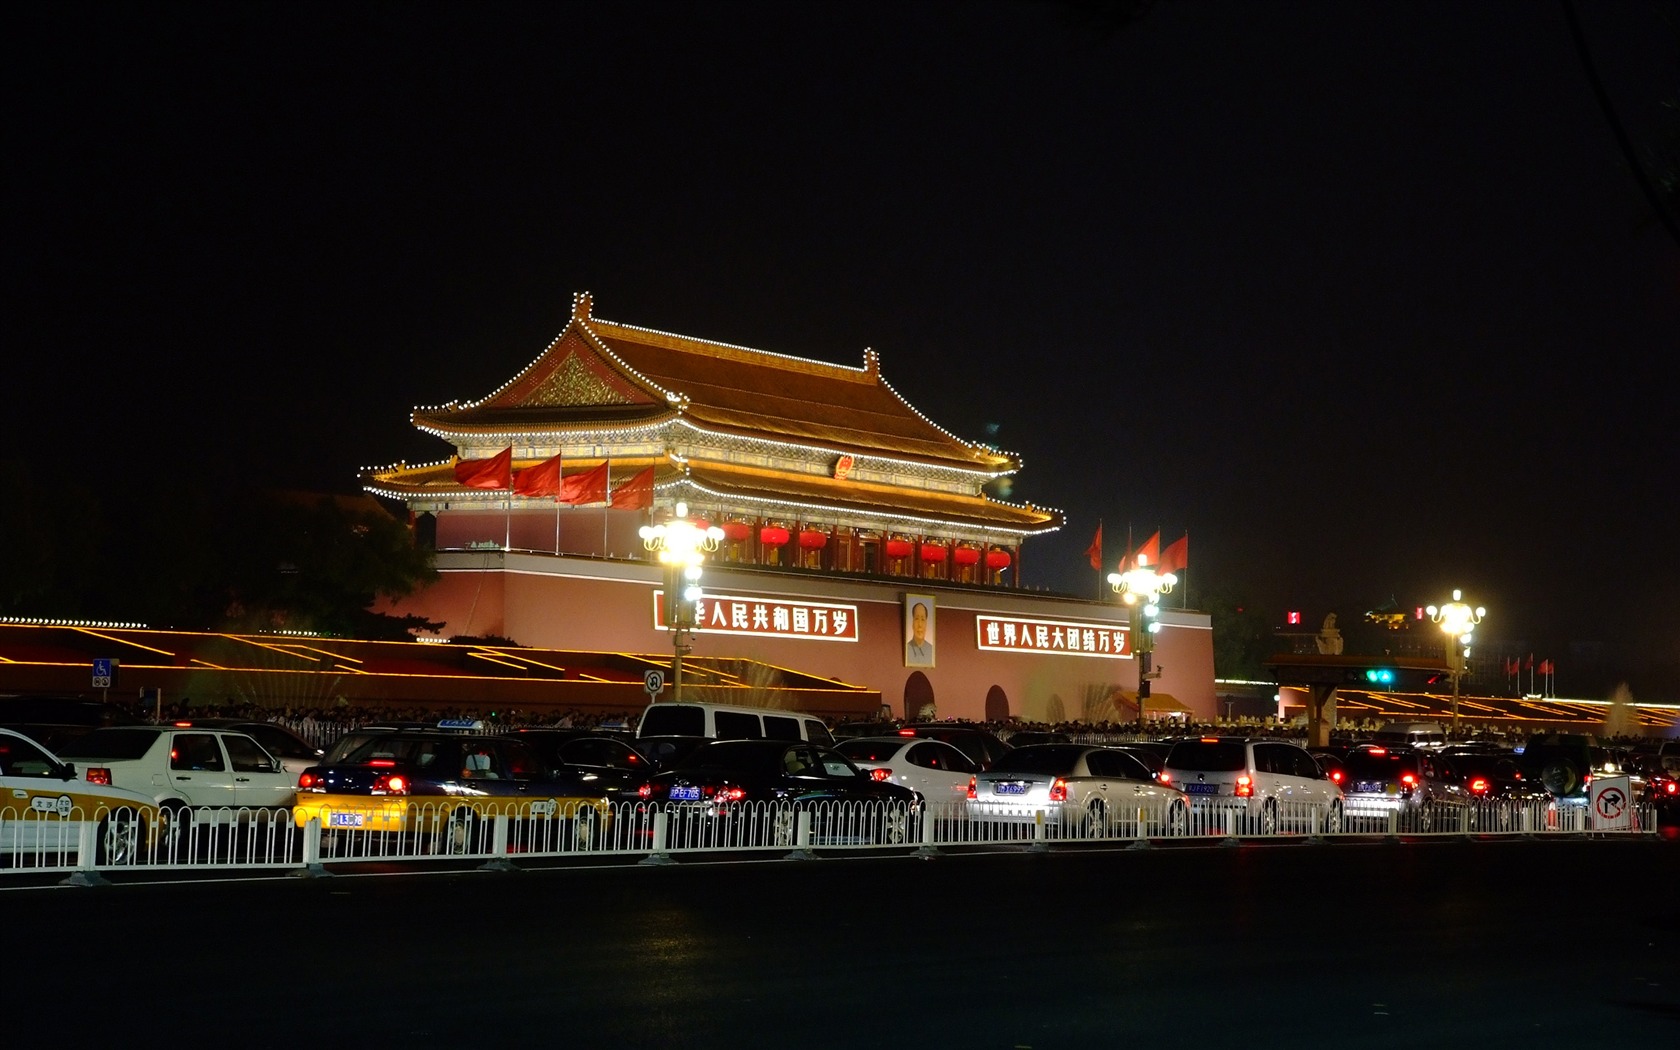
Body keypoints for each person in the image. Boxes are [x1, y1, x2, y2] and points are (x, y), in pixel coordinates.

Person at [906, 600, 935, 666]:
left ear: (926, 623)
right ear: (912, 622)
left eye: (922, 619)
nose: (920, 624)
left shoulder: (931, 650)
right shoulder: (907, 649)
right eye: (916, 619)